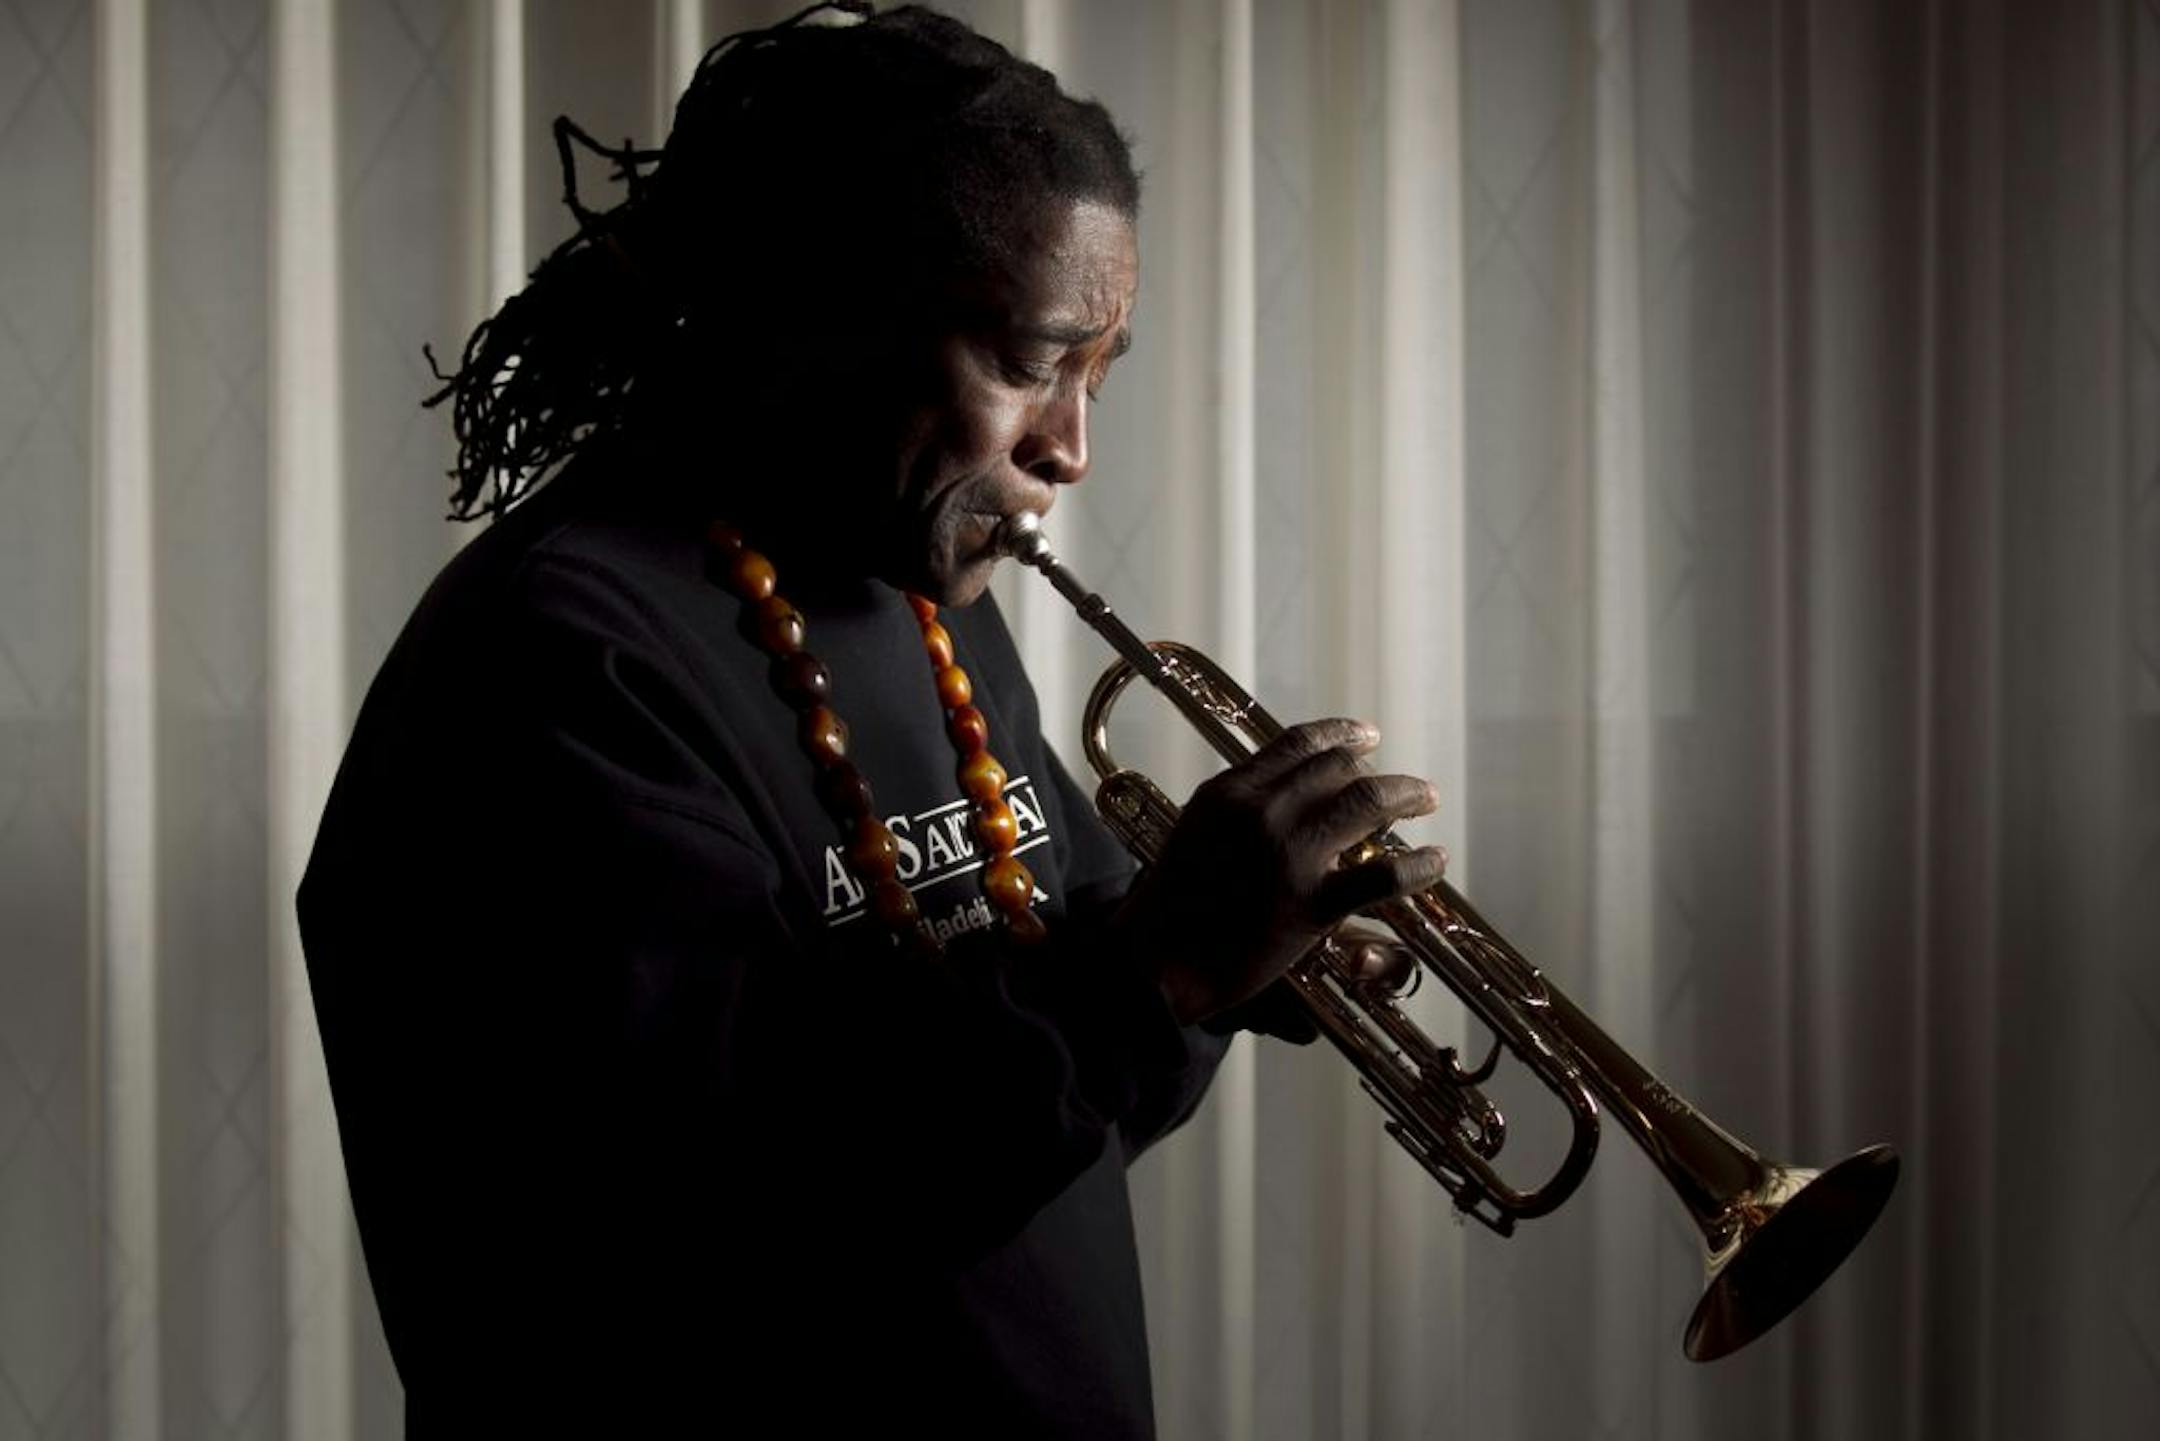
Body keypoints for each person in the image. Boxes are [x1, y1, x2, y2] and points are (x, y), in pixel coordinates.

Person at [297, 4, 1445, 1435]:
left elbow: (1061, 1078)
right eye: (1033, 361)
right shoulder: (554, 663)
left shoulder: (912, 590)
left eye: (1101, 373)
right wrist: (1160, 964)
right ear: (830, 311)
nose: (1071, 449)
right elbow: (734, 1217)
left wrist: (1253, 960)